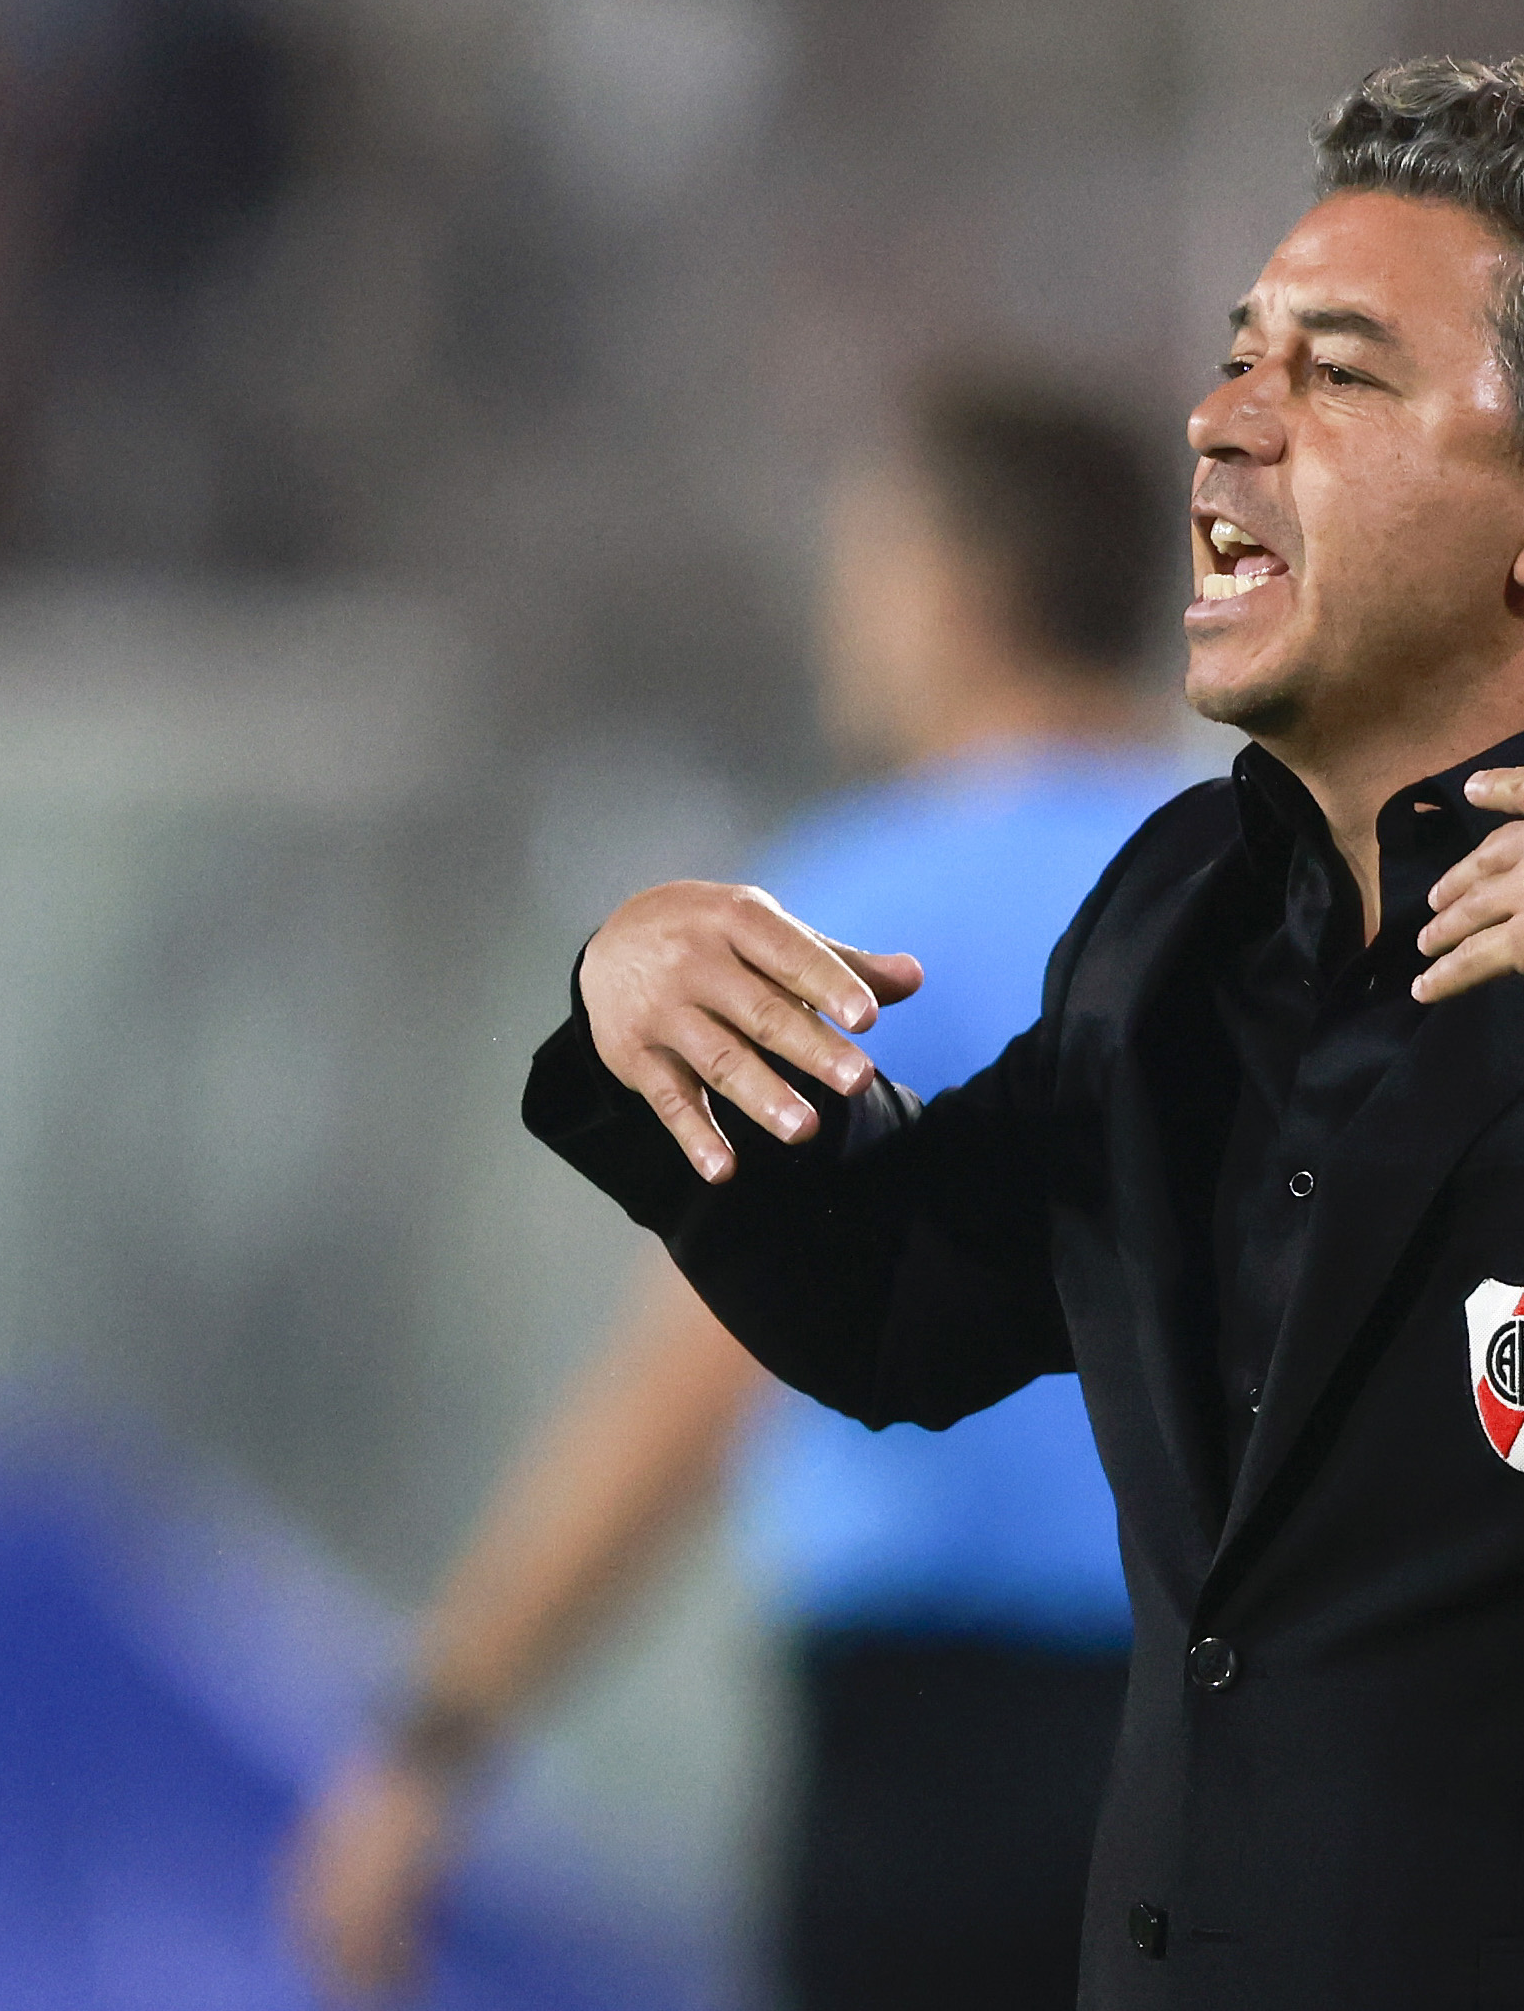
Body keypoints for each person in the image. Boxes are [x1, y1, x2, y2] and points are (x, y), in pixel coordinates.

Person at [527, 57, 1524, 2010]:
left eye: (1339, 373)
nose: (1224, 425)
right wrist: (654, 1034)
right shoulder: (1182, 925)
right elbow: (904, 1307)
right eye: (1238, 359)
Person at [289, 375, 1195, 2007]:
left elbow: (699, 1373)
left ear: (958, 582)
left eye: (867, 560)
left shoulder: (838, 906)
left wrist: (442, 1731)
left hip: (934, 1766)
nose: (838, 614)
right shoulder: (1256, 900)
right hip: (1232, 1737)